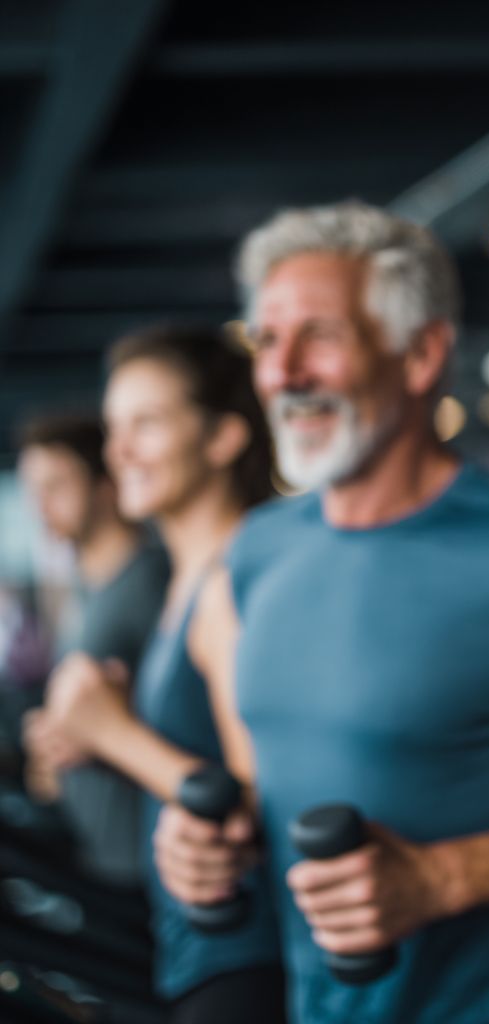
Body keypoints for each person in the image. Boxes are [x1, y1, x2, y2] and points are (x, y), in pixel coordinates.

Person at [151, 201, 489, 1024]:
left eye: (320, 336)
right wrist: (205, 847)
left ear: (419, 354)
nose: (284, 372)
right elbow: (284, 775)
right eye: (267, 340)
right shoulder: (258, 549)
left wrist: (441, 877)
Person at [27, 326, 286, 1024]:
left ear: (223, 437)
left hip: (242, 955)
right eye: (115, 428)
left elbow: (259, 807)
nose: (119, 452)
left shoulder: (233, 582)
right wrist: (95, 741)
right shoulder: (186, 582)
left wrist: (111, 734)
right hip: (194, 940)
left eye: (146, 423)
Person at [19, 413, 169, 885]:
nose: (40, 505)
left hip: (148, 861)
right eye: (33, 490)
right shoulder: (84, 590)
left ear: (106, 484)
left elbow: (187, 719)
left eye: (57, 485)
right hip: (100, 851)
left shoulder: (151, 582)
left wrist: (100, 735)